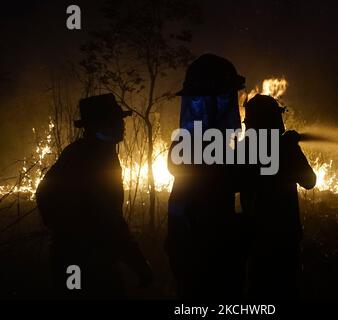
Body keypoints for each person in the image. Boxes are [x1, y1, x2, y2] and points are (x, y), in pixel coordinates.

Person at [36, 93, 152, 299]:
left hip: (71, 256)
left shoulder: (78, 151)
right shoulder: (98, 158)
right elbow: (110, 218)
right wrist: (138, 264)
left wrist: (61, 232)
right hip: (88, 260)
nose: (122, 124)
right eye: (117, 120)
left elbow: (44, 192)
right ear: (102, 124)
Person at [167, 53, 247, 298]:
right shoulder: (207, 146)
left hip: (188, 247)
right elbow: (235, 180)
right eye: (224, 100)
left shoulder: (185, 142)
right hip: (205, 250)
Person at [240, 94, 316, 299]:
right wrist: (291, 148)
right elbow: (309, 182)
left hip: (255, 236)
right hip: (285, 236)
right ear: (276, 119)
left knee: (257, 291)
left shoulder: (243, 149)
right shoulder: (287, 148)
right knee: (286, 289)